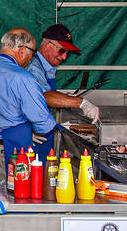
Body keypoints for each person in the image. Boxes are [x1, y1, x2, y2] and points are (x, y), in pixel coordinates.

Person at [0, 28, 57, 184]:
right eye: (32, 54)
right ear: (22, 50)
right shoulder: (23, 77)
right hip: (9, 154)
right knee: (14, 203)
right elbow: (43, 123)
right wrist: (27, 131)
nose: (31, 59)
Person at [26, 24, 100, 159]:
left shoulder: (47, 68)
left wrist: (66, 98)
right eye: (62, 51)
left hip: (43, 135)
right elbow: (45, 96)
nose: (65, 57)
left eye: (67, 53)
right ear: (48, 45)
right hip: (34, 139)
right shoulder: (35, 69)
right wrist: (81, 103)